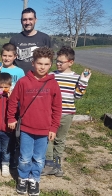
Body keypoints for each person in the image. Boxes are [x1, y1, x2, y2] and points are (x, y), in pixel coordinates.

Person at [7, 47, 62, 196]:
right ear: (33, 63)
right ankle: (23, 178)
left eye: (46, 64)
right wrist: (11, 118)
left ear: (50, 65)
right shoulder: (23, 82)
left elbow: (57, 108)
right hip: (26, 128)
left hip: (44, 130)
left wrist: (53, 128)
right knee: (24, 157)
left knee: (39, 158)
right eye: (39, 63)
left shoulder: (53, 84)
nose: (42, 67)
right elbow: (13, 101)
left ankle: (34, 179)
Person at [42, 46, 91, 177]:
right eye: (57, 61)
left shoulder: (75, 77)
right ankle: (49, 163)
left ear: (70, 62)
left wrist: (84, 81)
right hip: (51, 113)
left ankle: (57, 163)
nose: (58, 63)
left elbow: (78, 96)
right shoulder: (51, 75)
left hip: (67, 113)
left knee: (60, 138)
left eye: (61, 61)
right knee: (49, 137)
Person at [9, 8, 51, 74]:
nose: (27, 22)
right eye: (24, 20)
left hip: (38, 79)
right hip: (19, 80)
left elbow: (49, 60)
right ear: (21, 21)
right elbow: (10, 61)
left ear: (35, 20)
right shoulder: (14, 39)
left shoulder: (44, 38)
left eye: (30, 19)